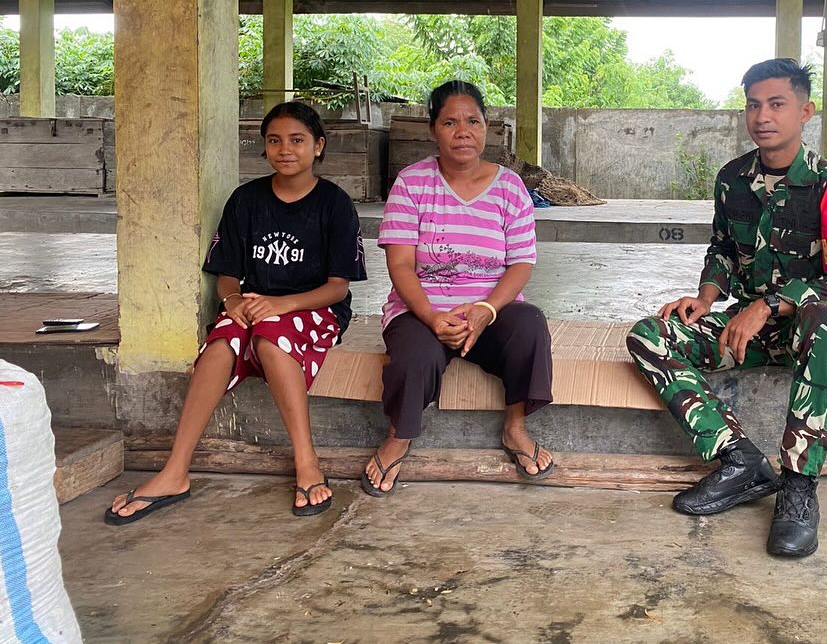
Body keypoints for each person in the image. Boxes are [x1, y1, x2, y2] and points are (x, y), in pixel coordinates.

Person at [626, 58, 827, 558]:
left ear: (805, 111)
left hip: (804, 332)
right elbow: (721, 249)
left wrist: (768, 305)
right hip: (747, 333)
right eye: (754, 105)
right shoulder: (733, 179)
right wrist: (705, 298)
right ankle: (740, 461)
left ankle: (798, 487)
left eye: (777, 104)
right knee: (649, 334)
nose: (763, 116)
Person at [105, 101, 367, 524]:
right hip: (253, 306)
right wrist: (232, 303)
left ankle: (307, 461)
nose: (285, 149)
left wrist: (281, 304)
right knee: (222, 341)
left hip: (315, 308)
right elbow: (226, 275)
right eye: (274, 140)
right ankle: (175, 471)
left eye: (297, 140)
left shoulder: (334, 204)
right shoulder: (246, 200)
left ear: (318, 146)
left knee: (270, 336)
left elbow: (338, 287)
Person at [361, 81, 554, 495]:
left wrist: (487, 309)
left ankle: (515, 427)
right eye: (450, 122)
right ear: (434, 129)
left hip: (492, 309)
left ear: (486, 128)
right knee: (413, 355)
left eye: (473, 121)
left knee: (530, 326)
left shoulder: (510, 187)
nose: (462, 132)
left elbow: (521, 263)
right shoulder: (411, 183)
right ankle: (399, 434)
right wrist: (431, 317)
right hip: (422, 308)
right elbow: (400, 264)